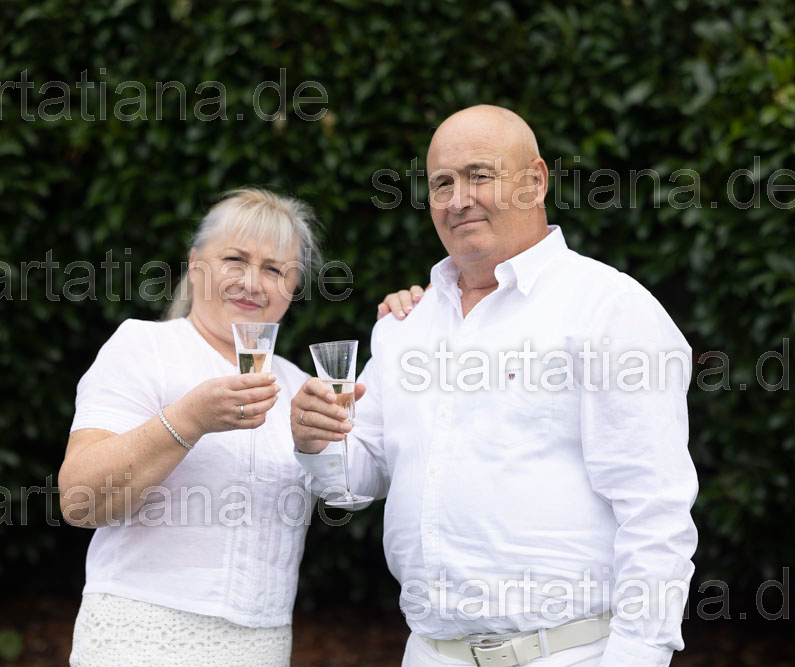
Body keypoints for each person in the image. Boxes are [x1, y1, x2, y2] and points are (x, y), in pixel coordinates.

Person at [290, 106, 698, 666]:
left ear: (536, 180)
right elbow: (359, 478)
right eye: (442, 183)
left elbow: (655, 512)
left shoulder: (608, 308)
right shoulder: (404, 325)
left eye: (479, 175)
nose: (458, 199)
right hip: (430, 653)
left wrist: (637, 656)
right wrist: (316, 440)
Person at [58, 187, 421, 667]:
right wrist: (189, 420)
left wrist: (418, 323)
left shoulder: (300, 386)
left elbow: (352, 490)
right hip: (139, 640)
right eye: (235, 260)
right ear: (195, 264)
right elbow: (80, 501)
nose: (252, 283)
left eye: (274, 269)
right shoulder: (143, 347)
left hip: (261, 645)